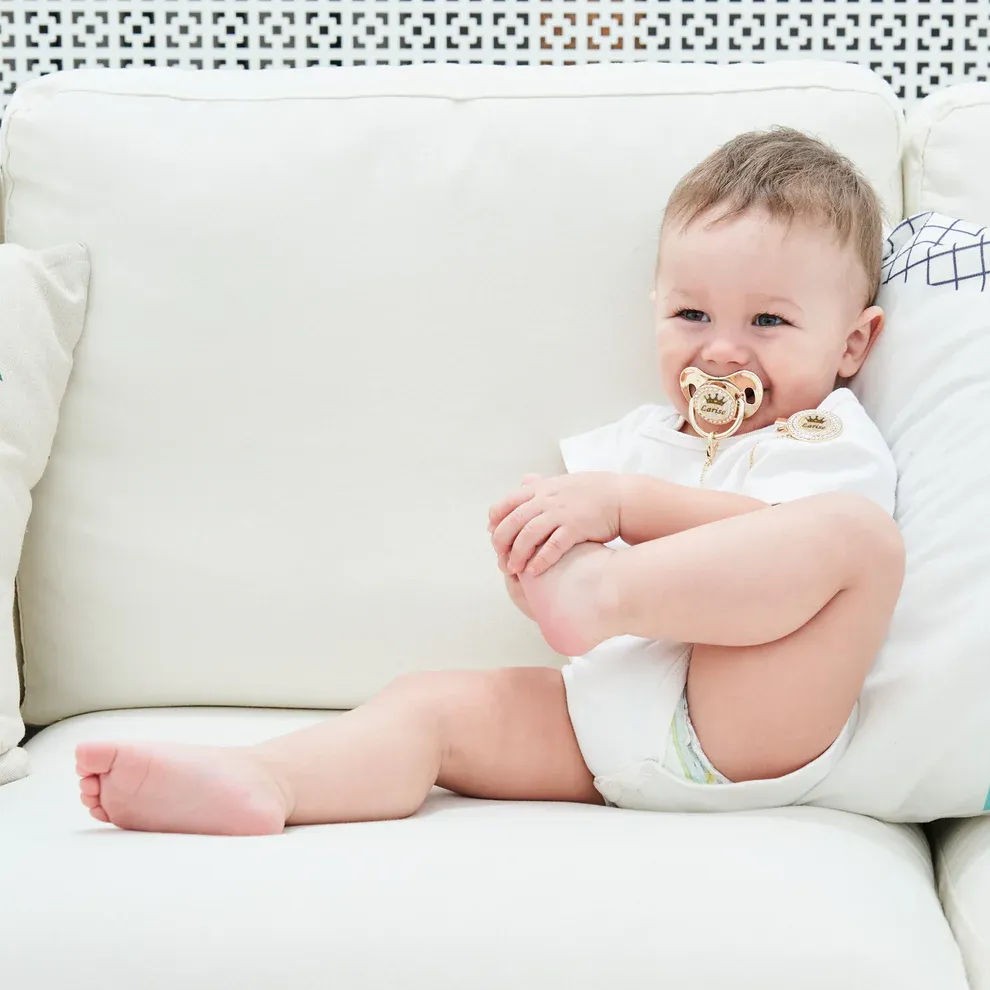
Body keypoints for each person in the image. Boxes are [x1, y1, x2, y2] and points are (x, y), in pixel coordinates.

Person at [75, 127, 905, 833]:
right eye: (692, 315)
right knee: (429, 704)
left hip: (751, 726)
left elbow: (777, 548)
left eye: (768, 320)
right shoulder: (634, 443)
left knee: (858, 537)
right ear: (656, 308)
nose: (722, 350)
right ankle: (269, 782)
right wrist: (540, 562)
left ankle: (609, 593)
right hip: (603, 733)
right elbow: (562, 609)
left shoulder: (828, 440)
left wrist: (623, 520)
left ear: (852, 345)